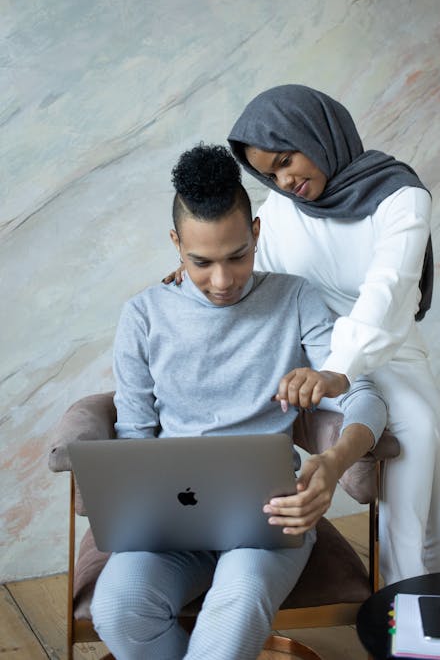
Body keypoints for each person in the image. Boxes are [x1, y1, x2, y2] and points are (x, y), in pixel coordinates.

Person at [91, 144, 387, 660]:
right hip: (170, 525)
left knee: (238, 604)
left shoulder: (295, 298)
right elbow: (135, 437)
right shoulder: (142, 315)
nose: (223, 281)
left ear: (256, 232)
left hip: (271, 519)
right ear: (175, 244)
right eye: (200, 262)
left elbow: (366, 397)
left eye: (238, 256)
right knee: (118, 608)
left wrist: (333, 463)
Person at [225, 83, 440, 584]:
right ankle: (402, 617)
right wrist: (189, 276)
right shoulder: (274, 217)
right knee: (417, 436)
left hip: (390, 356)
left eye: (287, 159)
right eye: (269, 173)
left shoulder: (401, 196)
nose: (284, 179)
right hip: (325, 367)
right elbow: (250, 278)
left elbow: (390, 288)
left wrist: (340, 369)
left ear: (317, 132)